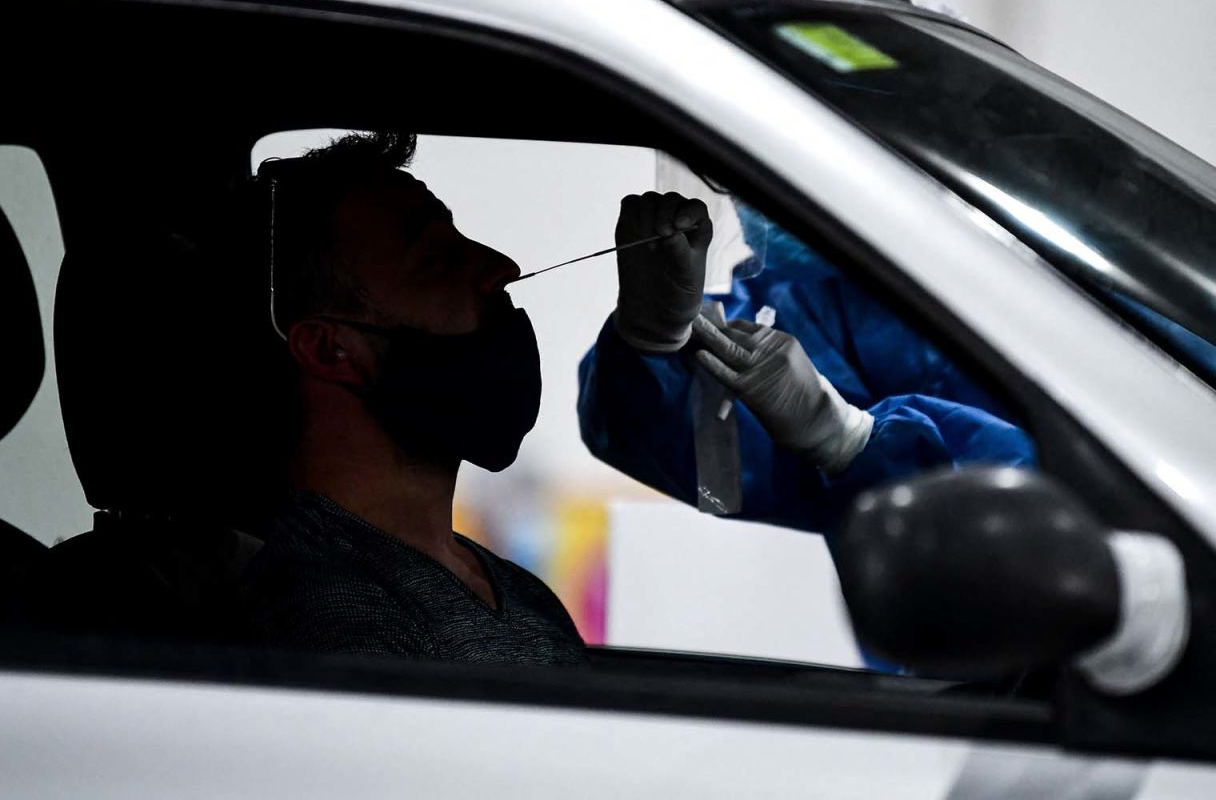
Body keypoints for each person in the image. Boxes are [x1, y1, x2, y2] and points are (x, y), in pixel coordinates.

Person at [241, 132, 585, 666]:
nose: (502, 266)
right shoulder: (330, 620)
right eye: (438, 261)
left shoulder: (514, 590)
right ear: (331, 349)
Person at [578, 192, 1036, 540]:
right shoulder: (771, 307)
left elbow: (1062, 509)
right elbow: (708, 467)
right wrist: (650, 343)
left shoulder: (1042, 277)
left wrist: (850, 440)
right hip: (943, 645)